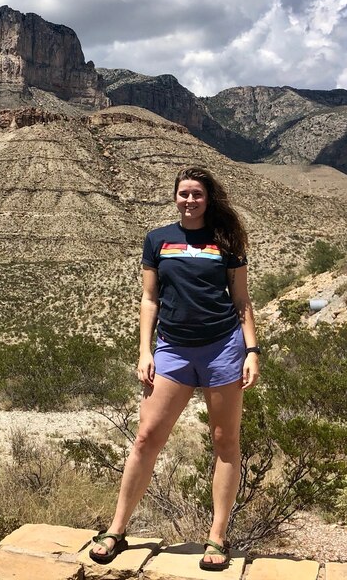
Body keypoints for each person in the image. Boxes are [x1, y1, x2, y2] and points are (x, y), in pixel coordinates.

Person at [88, 166, 260, 571]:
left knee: (225, 443)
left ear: (207, 198)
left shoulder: (226, 242)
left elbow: (242, 301)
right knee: (146, 437)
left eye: (197, 195)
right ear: (175, 197)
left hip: (222, 350)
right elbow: (150, 299)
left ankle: (216, 538)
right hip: (172, 350)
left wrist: (251, 350)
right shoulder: (158, 240)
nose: (189, 201)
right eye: (184, 194)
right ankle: (116, 529)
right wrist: (144, 350)